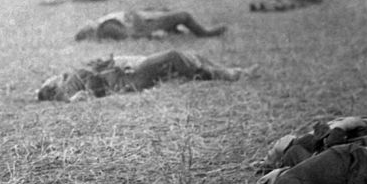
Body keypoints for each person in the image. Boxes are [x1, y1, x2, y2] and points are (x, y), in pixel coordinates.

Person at [36, 49, 255, 102]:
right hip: (127, 78)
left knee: (189, 55)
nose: (54, 77)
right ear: (52, 88)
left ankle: (232, 72)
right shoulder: (68, 89)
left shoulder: (70, 79)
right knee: (173, 55)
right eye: (50, 81)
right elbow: (89, 91)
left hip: (127, 69)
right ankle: (229, 75)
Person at [74, 9, 227, 42]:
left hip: (145, 19)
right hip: (146, 25)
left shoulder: (104, 22)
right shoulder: (106, 26)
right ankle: (204, 33)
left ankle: (178, 32)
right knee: (184, 16)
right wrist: (151, 35)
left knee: (172, 16)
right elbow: (129, 35)